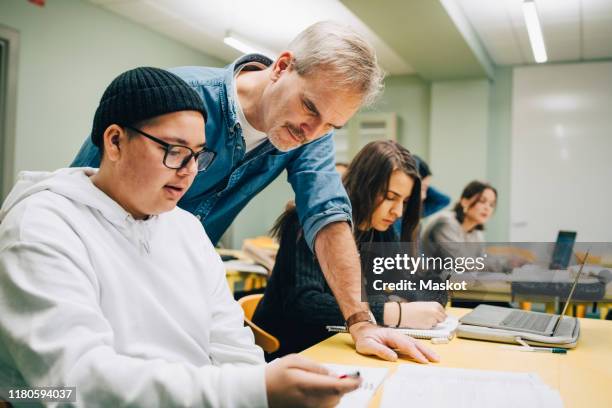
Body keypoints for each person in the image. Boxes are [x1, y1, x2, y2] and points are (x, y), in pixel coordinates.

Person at [70, 22, 435, 361]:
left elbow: (328, 214)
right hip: (102, 273)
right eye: (310, 107)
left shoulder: (310, 135)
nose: (312, 131)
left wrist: (360, 321)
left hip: (178, 282)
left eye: (331, 125)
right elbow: (84, 189)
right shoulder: (182, 98)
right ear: (281, 67)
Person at [0, 67, 361, 407]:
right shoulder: (41, 226)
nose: (189, 173)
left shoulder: (185, 228)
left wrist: (258, 388)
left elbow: (231, 347)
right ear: (114, 142)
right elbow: (70, 384)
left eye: (197, 156)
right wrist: (252, 390)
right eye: (173, 151)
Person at [253, 141, 445, 360]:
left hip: (339, 342)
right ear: (365, 186)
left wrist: (417, 300)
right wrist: (393, 311)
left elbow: (411, 286)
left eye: (405, 201)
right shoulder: (305, 223)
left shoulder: (381, 230)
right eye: (391, 197)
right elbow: (303, 305)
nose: (398, 211)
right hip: (291, 348)